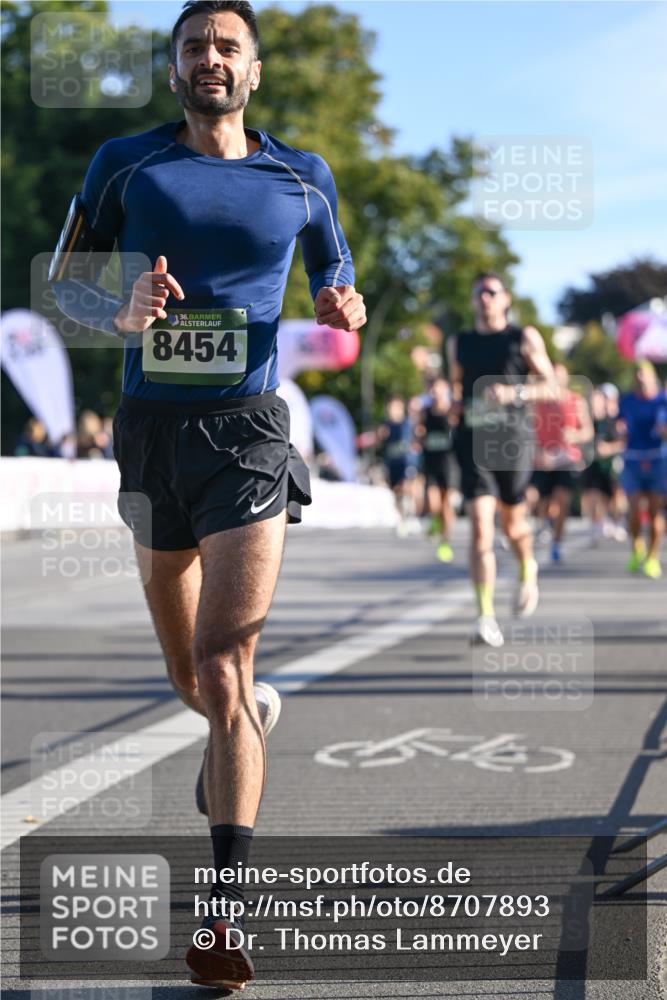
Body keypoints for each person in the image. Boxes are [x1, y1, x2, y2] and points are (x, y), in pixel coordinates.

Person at [51, 0, 365, 988]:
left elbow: (338, 269)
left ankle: (224, 914)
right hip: (151, 438)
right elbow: (63, 281)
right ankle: (245, 714)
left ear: (253, 70)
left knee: (226, 663)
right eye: (193, 46)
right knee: (193, 676)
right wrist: (121, 305)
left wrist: (341, 301)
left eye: (227, 46)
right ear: (175, 68)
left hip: (248, 436)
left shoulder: (301, 176)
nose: (210, 58)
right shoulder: (125, 163)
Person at [447, 273, 555, 647]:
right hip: (473, 440)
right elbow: (457, 385)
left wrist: (515, 393)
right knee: (480, 526)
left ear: (506, 298)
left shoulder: (523, 338)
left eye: (491, 292)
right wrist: (455, 405)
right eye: (478, 292)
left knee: (514, 525)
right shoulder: (459, 342)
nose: (484, 298)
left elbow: (552, 385)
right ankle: (485, 618)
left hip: (512, 440)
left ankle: (527, 566)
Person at [529, 364, 593, 562]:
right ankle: (544, 524)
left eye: (560, 376)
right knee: (542, 501)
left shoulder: (576, 401)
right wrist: (537, 451)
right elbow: (528, 430)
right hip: (543, 458)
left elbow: (588, 431)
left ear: (566, 379)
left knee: (562, 501)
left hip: (567, 458)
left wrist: (575, 435)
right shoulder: (538, 402)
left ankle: (556, 543)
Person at [618, 361, 667, 579]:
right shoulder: (627, 401)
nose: (641, 379)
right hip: (633, 459)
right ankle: (637, 546)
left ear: (652, 376)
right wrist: (619, 430)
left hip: (657, 459)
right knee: (635, 510)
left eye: (644, 374)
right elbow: (619, 426)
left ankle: (653, 557)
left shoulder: (663, 401)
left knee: (655, 512)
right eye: (637, 374)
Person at [417, 377, 456, 561]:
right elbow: (418, 434)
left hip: (450, 464)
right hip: (431, 462)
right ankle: (435, 520)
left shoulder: (452, 411)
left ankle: (445, 541)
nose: (436, 392)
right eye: (432, 388)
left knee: (447, 505)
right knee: (434, 503)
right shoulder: (425, 412)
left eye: (439, 387)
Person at [581, 386, 625, 544]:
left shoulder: (614, 421)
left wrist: (609, 448)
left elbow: (623, 442)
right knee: (593, 495)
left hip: (611, 465)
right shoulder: (588, 421)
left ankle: (617, 522)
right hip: (593, 464)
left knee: (615, 495)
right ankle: (596, 525)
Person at [377, 396, 421, 536]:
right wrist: (380, 436)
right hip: (392, 463)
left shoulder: (408, 423)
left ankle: (412, 516)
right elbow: (379, 442)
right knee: (397, 492)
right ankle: (402, 520)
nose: (393, 411)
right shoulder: (385, 426)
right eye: (390, 408)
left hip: (407, 462)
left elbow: (418, 436)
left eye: (396, 407)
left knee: (407, 487)